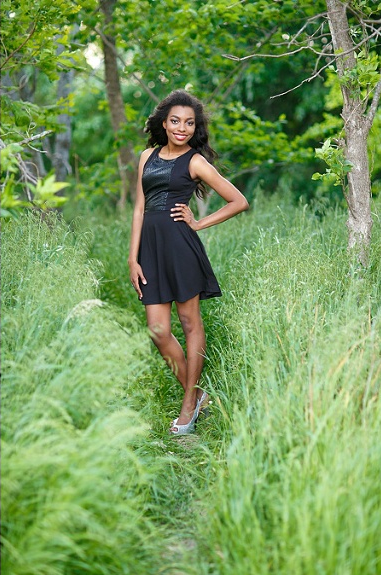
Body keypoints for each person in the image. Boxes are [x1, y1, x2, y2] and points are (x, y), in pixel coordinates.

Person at [128, 89, 248, 435]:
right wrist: (133, 258)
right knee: (158, 330)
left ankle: (187, 406)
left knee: (189, 323)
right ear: (164, 123)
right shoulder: (146, 156)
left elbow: (237, 201)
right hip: (150, 250)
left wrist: (198, 223)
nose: (182, 128)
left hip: (181, 247)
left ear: (195, 129)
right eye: (176, 121)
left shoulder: (195, 161)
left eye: (189, 123)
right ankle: (196, 395)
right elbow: (139, 209)